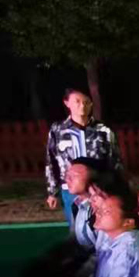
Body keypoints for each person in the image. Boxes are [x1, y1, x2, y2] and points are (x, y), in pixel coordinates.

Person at [44, 88, 118, 220]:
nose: (82, 106)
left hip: (99, 189)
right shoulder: (58, 130)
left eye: (86, 102)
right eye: (77, 101)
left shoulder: (103, 130)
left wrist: (116, 186)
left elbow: (114, 160)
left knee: (102, 224)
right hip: (71, 190)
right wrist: (52, 192)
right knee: (76, 226)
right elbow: (51, 162)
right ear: (67, 103)